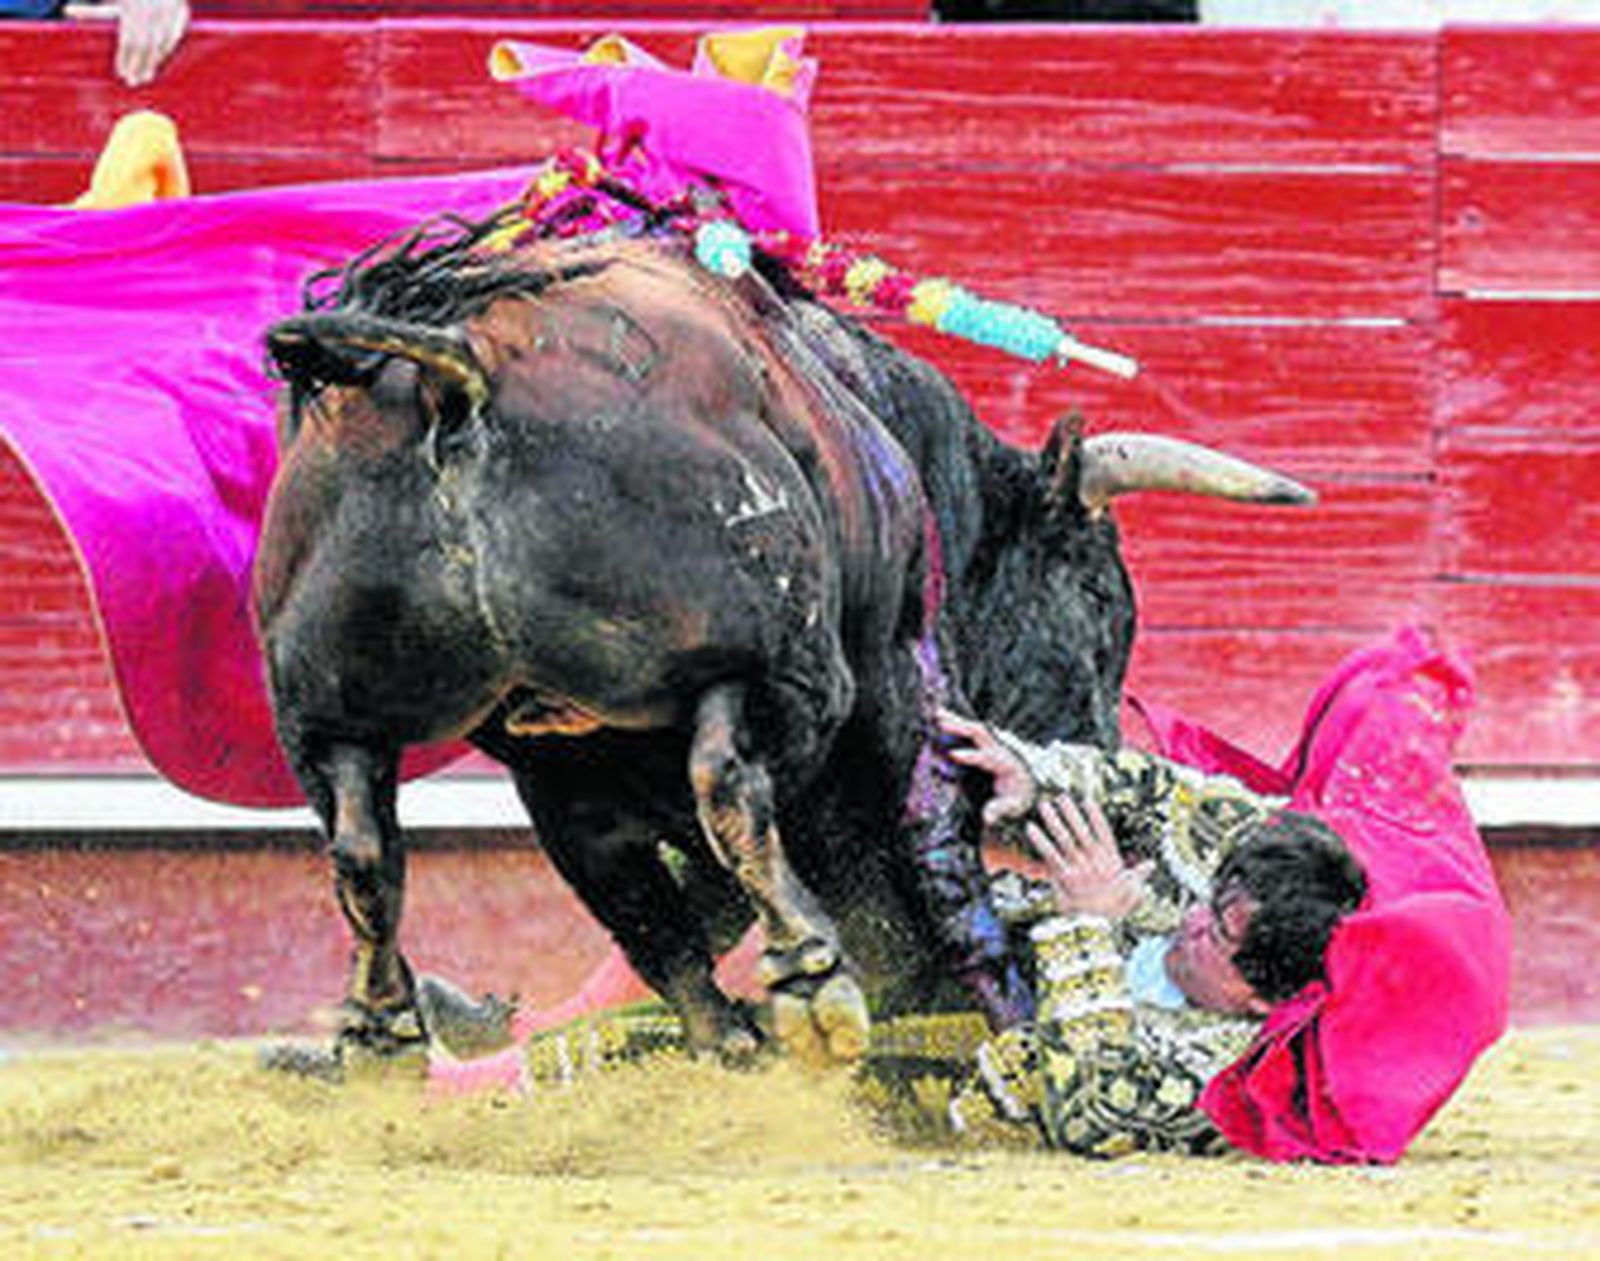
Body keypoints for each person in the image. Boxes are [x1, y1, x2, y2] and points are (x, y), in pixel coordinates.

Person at [931, 709, 1367, 1156]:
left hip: (947, 1100)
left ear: (1261, 1002)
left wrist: (1086, 926)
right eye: (1211, 901)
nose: (1194, 918)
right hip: (964, 941)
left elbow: (1095, 1116)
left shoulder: (1233, 1079)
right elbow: (1159, 791)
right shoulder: (1260, 856)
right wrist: (1033, 775)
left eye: (1216, 935)